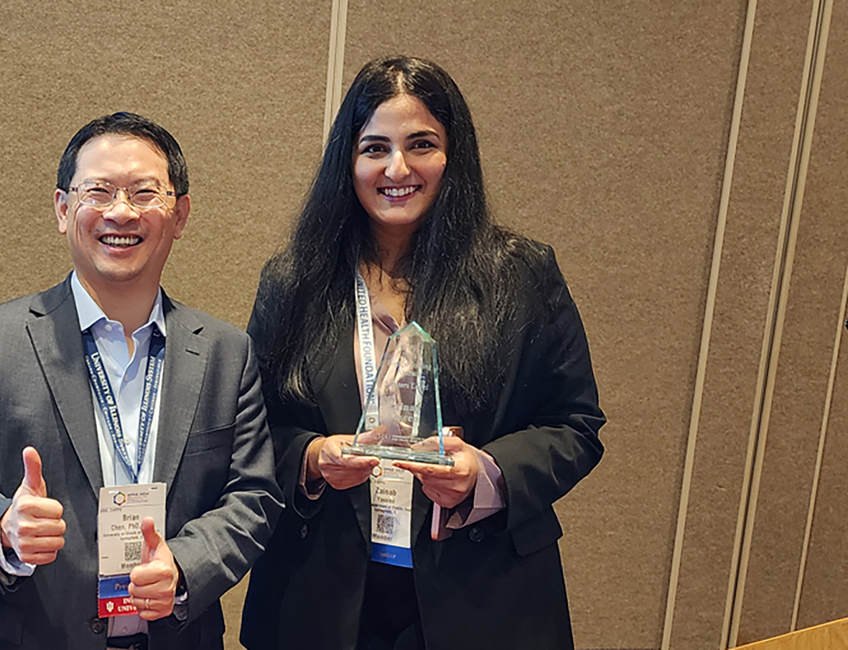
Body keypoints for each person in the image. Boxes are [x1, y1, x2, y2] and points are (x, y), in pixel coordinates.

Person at [239, 57, 605, 650]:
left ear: (453, 155)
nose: (397, 168)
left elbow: (576, 426)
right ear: (348, 162)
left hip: (484, 596)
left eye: (421, 145)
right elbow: (250, 430)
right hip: (323, 597)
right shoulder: (294, 281)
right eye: (375, 148)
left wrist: (485, 474)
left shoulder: (520, 274)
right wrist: (311, 458)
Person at [0, 112, 283, 650]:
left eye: (143, 193)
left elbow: (253, 494)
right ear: (64, 210)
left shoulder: (226, 352)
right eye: (99, 192)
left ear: (179, 215)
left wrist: (185, 566)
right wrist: (3, 527)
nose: (120, 212)